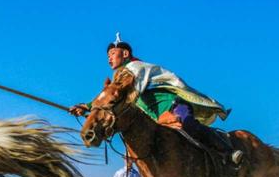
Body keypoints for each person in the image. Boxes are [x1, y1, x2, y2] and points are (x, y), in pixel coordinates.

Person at [69, 33, 243, 165]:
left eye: (113, 53)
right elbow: (109, 97)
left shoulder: (135, 68)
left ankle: (227, 151)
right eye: (108, 55)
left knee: (189, 125)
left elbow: (116, 95)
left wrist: (91, 106)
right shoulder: (120, 76)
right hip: (156, 115)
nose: (109, 58)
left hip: (174, 105)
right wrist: (89, 108)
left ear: (125, 53)